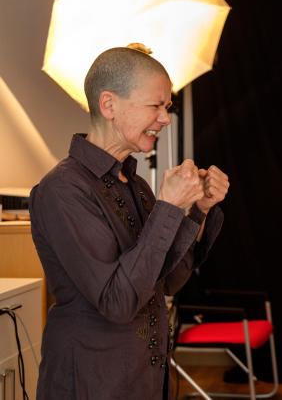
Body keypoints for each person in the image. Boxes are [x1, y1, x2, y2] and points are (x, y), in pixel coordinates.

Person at [29, 47, 229, 400]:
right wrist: (168, 207)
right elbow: (117, 301)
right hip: (93, 381)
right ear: (109, 106)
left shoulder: (135, 186)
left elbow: (168, 282)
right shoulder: (62, 189)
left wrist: (198, 210)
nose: (165, 118)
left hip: (145, 379)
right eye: (157, 106)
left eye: (166, 107)